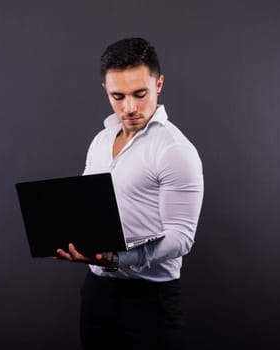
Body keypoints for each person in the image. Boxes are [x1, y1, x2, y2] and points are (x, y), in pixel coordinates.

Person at [54, 37, 204, 349]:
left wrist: (119, 259)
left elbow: (181, 238)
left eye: (140, 94)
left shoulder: (174, 150)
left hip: (150, 301)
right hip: (96, 291)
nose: (130, 107)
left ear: (159, 84)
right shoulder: (100, 141)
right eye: (118, 96)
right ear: (105, 90)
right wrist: (68, 237)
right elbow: (87, 205)